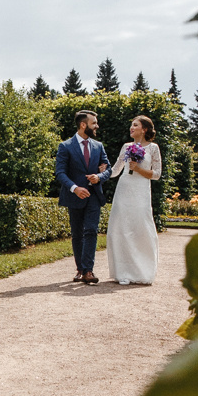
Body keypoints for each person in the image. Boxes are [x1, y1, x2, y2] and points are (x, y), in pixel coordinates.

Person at [55, 110, 110, 285]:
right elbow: (60, 173)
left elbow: (107, 168)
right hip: (75, 196)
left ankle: (88, 271)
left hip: (94, 195)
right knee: (77, 234)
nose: (97, 126)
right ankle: (80, 269)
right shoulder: (65, 146)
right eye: (94, 123)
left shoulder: (98, 146)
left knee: (91, 231)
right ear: (83, 125)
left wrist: (99, 177)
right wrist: (75, 188)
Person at [105, 116, 162, 285]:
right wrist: (102, 172)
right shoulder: (126, 147)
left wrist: (138, 169)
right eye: (131, 125)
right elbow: (116, 170)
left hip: (141, 192)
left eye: (135, 125)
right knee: (120, 228)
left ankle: (142, 272)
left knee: (140, 228)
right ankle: (123, 272)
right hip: (124, 190)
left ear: (144, 129)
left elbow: (157, 174)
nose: (131, 127)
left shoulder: (153, 148)